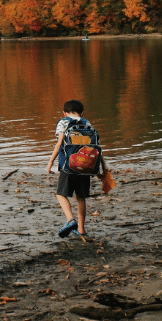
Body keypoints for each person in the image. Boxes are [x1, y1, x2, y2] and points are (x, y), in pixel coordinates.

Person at [46, 99, 109, 239]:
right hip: (87, 166)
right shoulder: (87, 123)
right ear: (82, 113)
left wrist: (50, 162)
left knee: (60, 194)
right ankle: (81, 230)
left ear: (64, 112)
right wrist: (103, 167)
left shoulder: (63, 122)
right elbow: (96, 146)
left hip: (68, 166)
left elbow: (60, 142)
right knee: (81, 197)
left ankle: (70, 220)